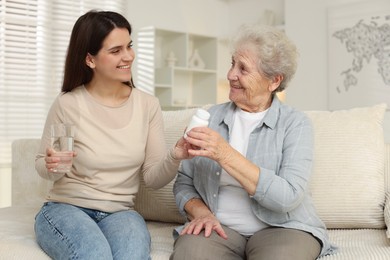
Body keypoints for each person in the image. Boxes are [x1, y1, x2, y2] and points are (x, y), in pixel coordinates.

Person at [171, 24, 337, 260]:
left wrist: (225, 154)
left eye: (243, 69)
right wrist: (201, 213)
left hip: (283, 229)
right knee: (189, 255)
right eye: (232, 64)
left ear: (273, 81)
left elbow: (288, 196)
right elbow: (184, 183)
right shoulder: (211, 118)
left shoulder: (296, 124)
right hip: (219, 228)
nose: (230, 75)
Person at [34, 10, 191, 260]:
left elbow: (153, 178)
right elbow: (43, 165)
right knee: (94, 255)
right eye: (116, 51)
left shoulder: (147, 105)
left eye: (129, 46)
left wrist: (175, 155)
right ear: (90, 60)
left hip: (120, 212)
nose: (128, 56)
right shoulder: (68, 103)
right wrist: (53, 165)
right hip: (66, 208)